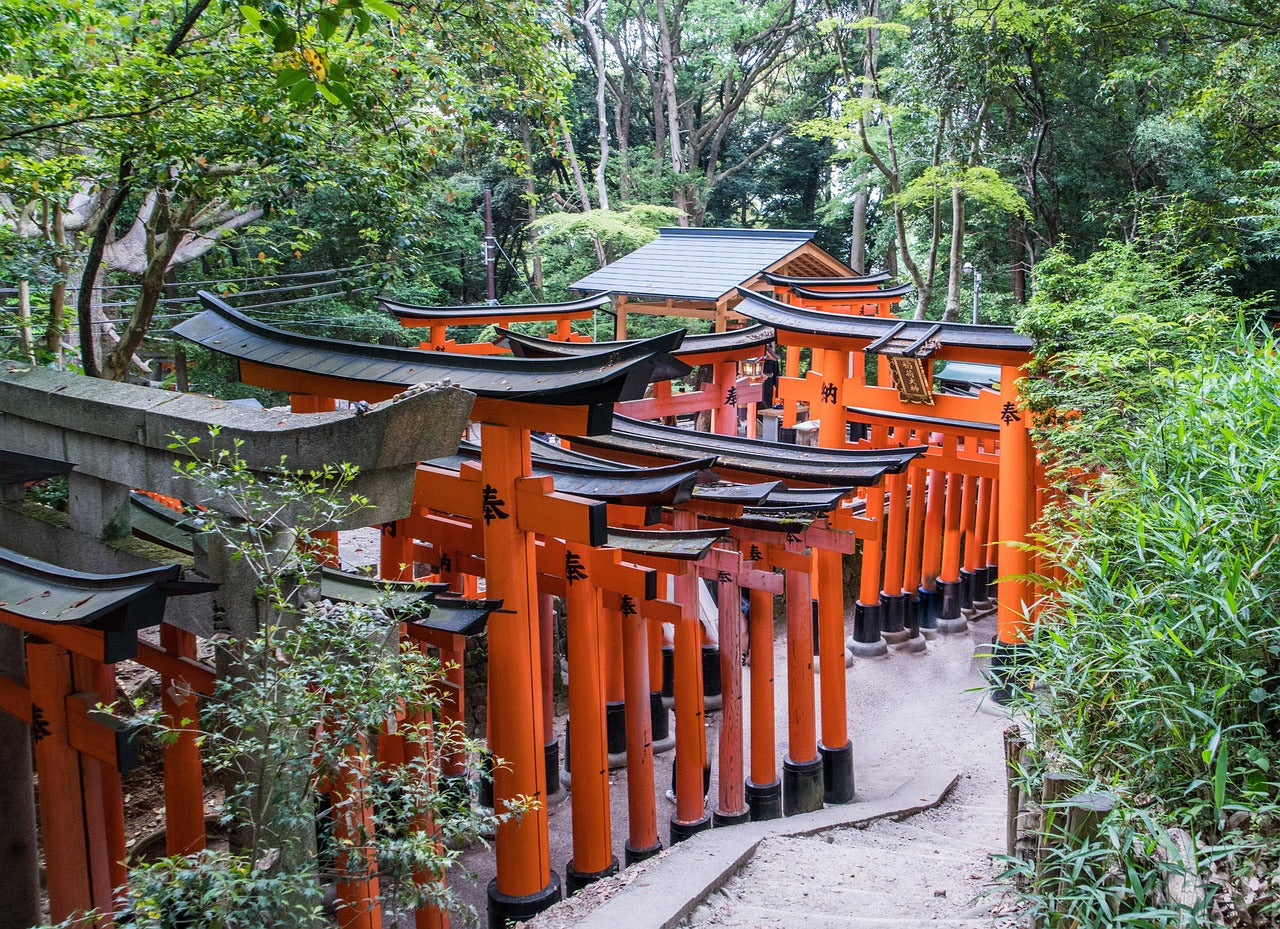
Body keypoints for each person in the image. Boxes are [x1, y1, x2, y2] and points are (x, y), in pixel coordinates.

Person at [761, 344, 780, 409]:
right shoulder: (773, 359)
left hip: (768, 382)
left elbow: (776, 373)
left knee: (767, 400)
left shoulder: (773, 359)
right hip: (760, 380)